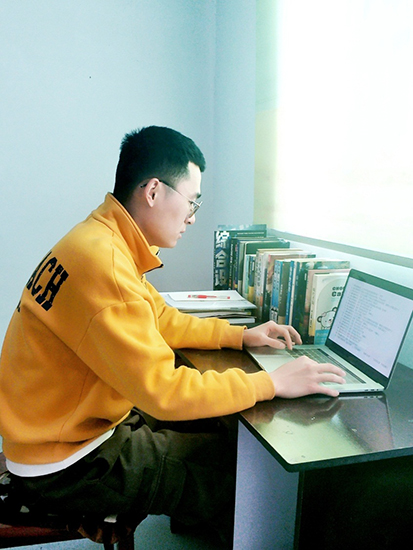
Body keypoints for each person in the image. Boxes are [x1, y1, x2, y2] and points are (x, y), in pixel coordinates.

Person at [0, 126, 345, 547]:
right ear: (153, 191)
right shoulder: (106, 264)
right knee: (237, 478)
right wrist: (271, 383)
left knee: (215, 434)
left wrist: (240, 337)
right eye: (192, 201)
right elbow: (164, 392)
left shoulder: (98, 239)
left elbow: (160, 318)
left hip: (56, 431)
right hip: (67, 463)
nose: (192, 217)